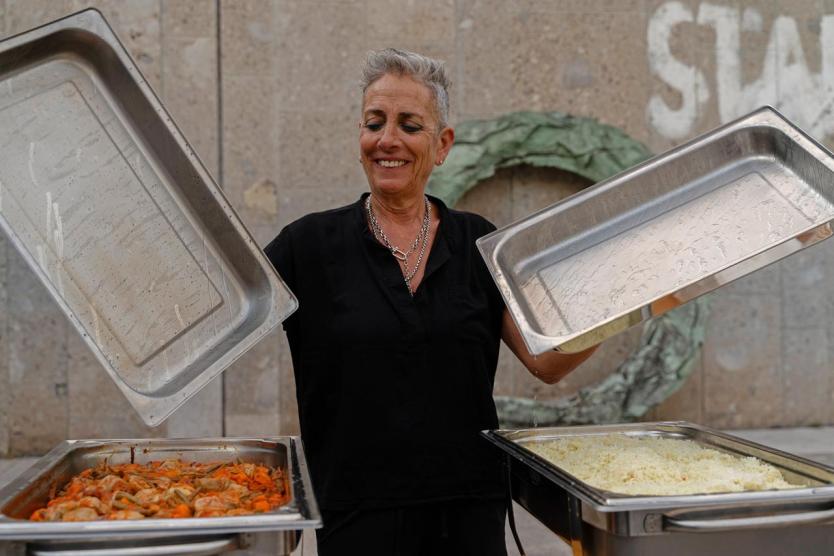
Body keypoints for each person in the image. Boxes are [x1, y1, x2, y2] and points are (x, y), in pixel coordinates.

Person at [265, 48, 596, 556]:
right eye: (374, 123)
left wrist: (642, 296)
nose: (387, 140)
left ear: (441, 145)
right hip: (356, 514)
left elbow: (546, 362)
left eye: (409, 125)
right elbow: (225, 319)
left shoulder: (478, 244)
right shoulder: (306, 246)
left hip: (470, 511)